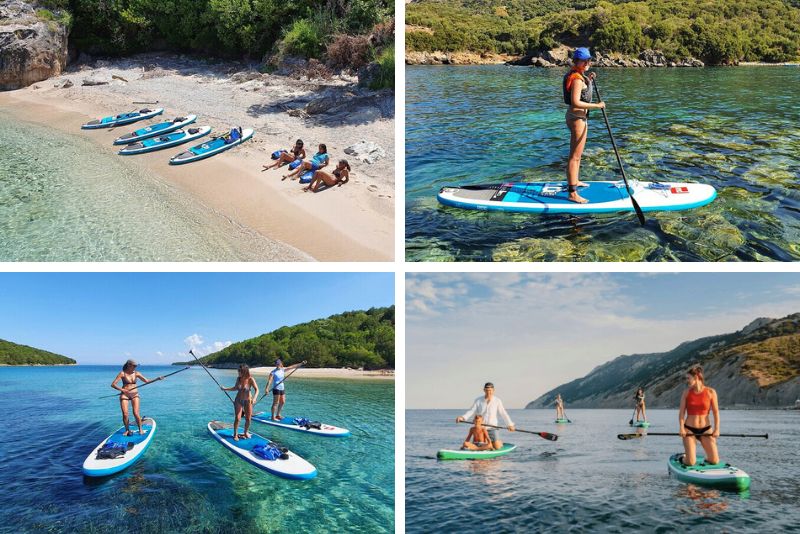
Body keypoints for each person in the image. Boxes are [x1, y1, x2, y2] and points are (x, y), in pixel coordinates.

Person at [563, 47, 606, 204]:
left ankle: (576, 180)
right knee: (574, 157)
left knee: (577, 155)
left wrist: (589, 78)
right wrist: (597, 105)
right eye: (584, 60)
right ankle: (572, 193)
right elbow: (575, 102)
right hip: (576, 119)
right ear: (576, 61)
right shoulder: (576, 79)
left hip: (578, 118)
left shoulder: (578, 75)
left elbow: (582, 90)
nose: (588, 62)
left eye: (589, 59)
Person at [678, 365, 720, 466]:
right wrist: (682, 428)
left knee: (714, 461)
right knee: (691, 462)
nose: (687, 380)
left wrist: (717, 429)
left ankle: (704, 459)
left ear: (696, 377)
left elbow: (716, 412)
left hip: (706, 429)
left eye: (688, 378)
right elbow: (682, 413)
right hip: (689, 429)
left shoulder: (711, 392)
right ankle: (683, 458)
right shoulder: (686, 393)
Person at [110, 360, 164, 436]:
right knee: (125, 414)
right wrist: (122, 390)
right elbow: (113, 384)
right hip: (125, 395)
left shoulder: (137, 373)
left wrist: (157, 379)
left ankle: (140, 429)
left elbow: (146, 381)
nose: (135, 367)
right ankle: (127, 430)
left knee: (136, 413)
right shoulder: (122, 373)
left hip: (135, 394)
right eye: (134, 366)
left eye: (136, 366)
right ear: (129, 365)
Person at [456, 382, 515, 449]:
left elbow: (503, 413)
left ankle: (497, 442)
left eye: (490, 390)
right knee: (479, 444)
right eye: (487, 390)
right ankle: (485, 446)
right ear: (484, 390)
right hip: (480, 428)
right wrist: (462, 417)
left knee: (497, 447)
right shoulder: (478, 400)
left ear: (493, 390)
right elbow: (471, 411)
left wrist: (510, 424)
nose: (488, 392)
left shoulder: (497, 401)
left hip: (492, 428)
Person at [220, 364, 259, 441]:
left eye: (240, 371)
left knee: (248, 418)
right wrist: (225, 389)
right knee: (238, 418)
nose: (238, 372)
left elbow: (257, 390)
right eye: (238, 371)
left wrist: (254, 398)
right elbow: (235, 388)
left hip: (248, 401)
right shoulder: (238, 379)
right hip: (238, 400)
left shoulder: (251, 379)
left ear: (244, 371)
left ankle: (245, 432)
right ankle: (235, 434)